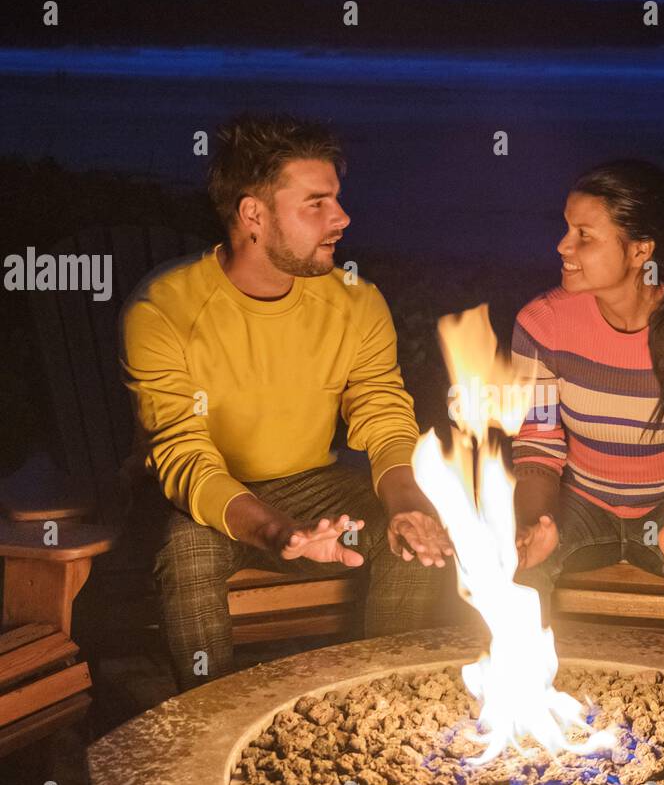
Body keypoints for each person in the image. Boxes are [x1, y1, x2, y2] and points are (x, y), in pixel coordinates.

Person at [118, 113, 452, 689]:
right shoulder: (162, 310)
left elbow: (382, 411)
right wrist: (279, 533)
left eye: (337, 199)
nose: (341, 218)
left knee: (415, 536)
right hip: (207, 495)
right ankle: (209, 723)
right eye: (316, 203)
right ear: (254, 214)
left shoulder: (355, 302)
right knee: (188, 554)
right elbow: (184, 457)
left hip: (312, 482)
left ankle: (384, 702)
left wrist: (404, 502)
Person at [511, 158, 664, 647]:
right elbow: (538, 445)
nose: (563, 246)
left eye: (584, 235)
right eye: (565, 229)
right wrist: (535, 524)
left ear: (641, 251)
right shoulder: (543, 324)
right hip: (579, 504)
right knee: (518, 569)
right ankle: (526, 708)